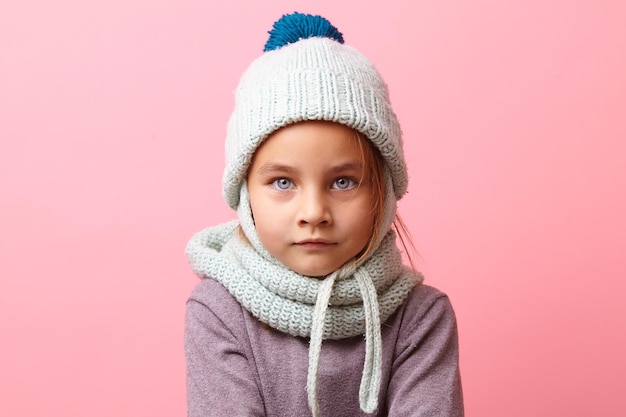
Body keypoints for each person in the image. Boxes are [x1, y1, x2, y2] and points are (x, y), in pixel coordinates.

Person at [185, 12, 464, 417]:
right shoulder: (219, 311)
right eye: (283, 182)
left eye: (343, 182)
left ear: (382, 194)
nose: (314, 213)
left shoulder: (421, 318)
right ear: (246, 194)